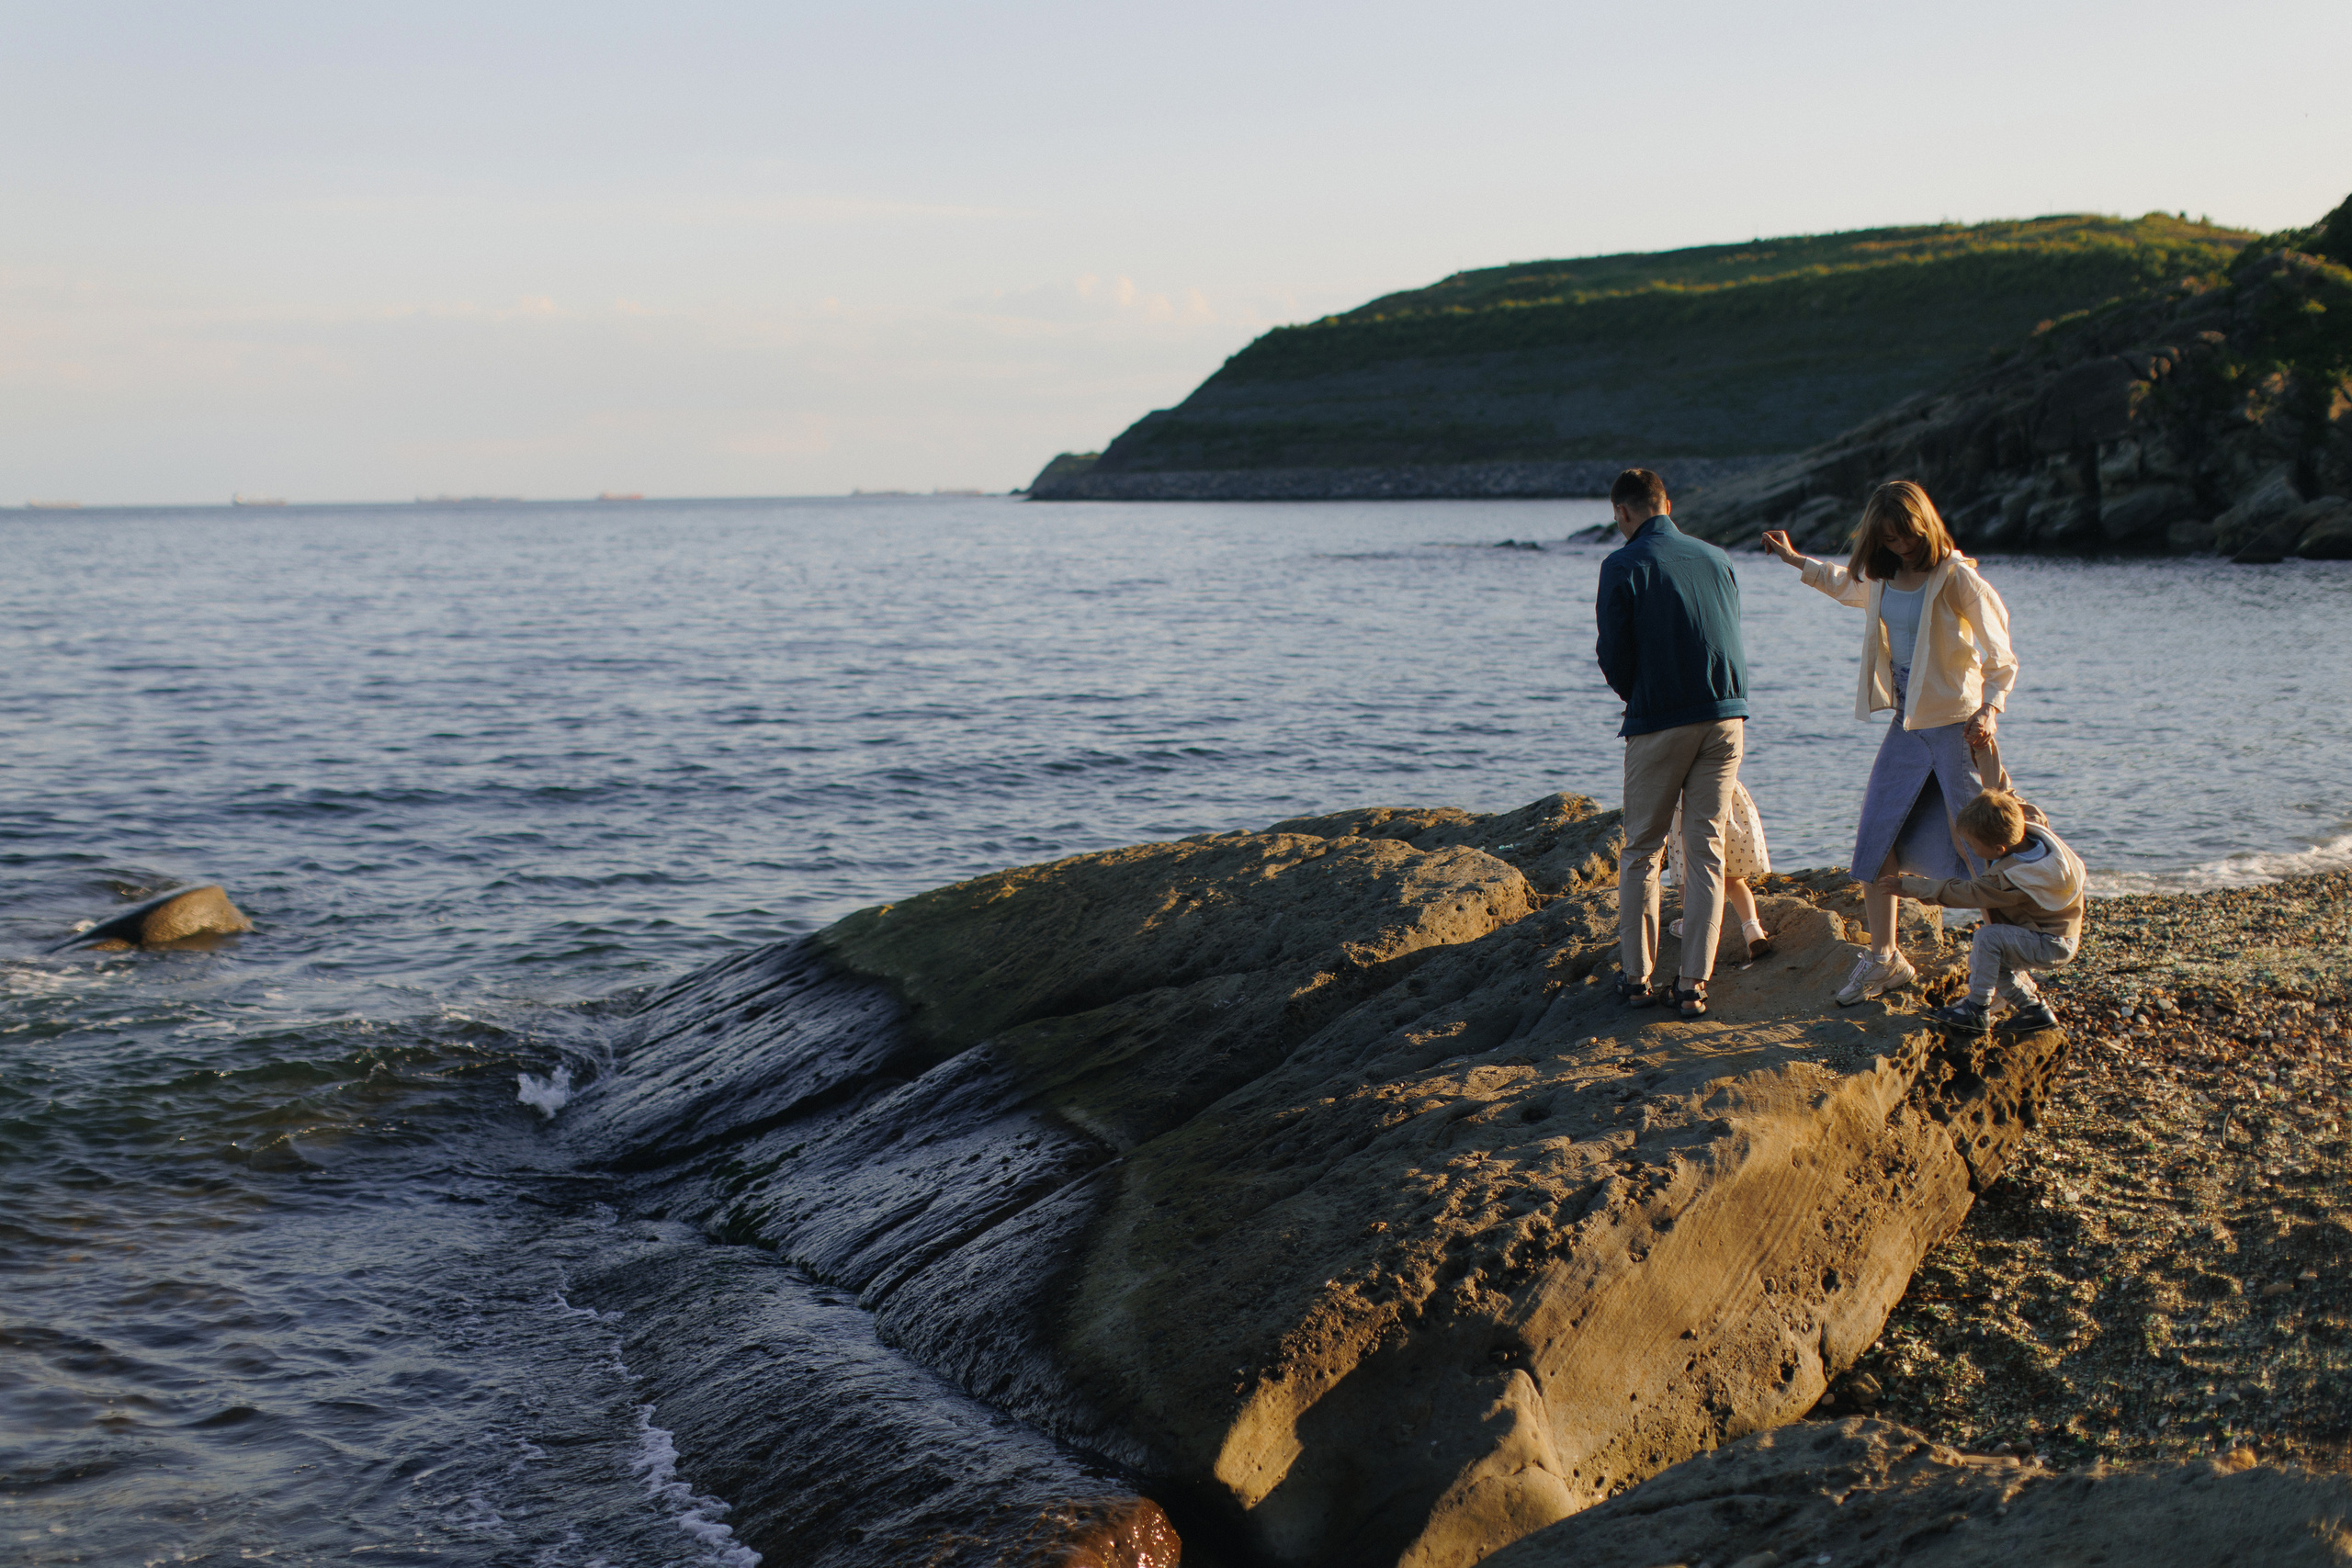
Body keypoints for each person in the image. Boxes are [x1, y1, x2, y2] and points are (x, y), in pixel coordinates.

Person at [1761, 480, 2018, 1008]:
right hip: (1907, 726)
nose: (1898, 544)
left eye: (1905, 534)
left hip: (1958, 728)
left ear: (1923, 526)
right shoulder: (1882, 577)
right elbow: (1846, 585)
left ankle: (2007, 972)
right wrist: (1795, 561)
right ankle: (1885, 959)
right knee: (1875, 842)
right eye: (1887, 536)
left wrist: (1991, 710)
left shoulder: (1957, 579)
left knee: (1981, 854)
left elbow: (2000, 652)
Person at [1595, 468, 1749, 1019]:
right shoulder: (1717, 557)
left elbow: (1613, 652)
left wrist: (1636, 696)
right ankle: (1692, 985)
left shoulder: (1622, 564)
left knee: (1642, 849)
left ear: (1624, 513)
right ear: (1667, 502)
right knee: (1705, 847)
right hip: (1727, 714)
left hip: (1662, 718)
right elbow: (1723, 630)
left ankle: (1637, 979)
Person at [1878, 786, 2084, 1034]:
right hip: (2058, 934)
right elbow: (2013, 800)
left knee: (1987, 939)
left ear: (1999, 849)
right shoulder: (2033, 827)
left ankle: (1976, 1009)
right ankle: (2034, 1011)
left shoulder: (2012, 879)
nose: (1971, 850)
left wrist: (1908, 885)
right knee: (1989, 963)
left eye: (1973, 845)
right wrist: (1985, 755)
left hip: (2050, 941)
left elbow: (1964, 893)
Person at [1667, 779, 1775, 963]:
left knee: (1688, 876)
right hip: (1726, 797)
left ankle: (1692, 926)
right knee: (1734, 880)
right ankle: (1752, 929)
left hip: (1690, 804)